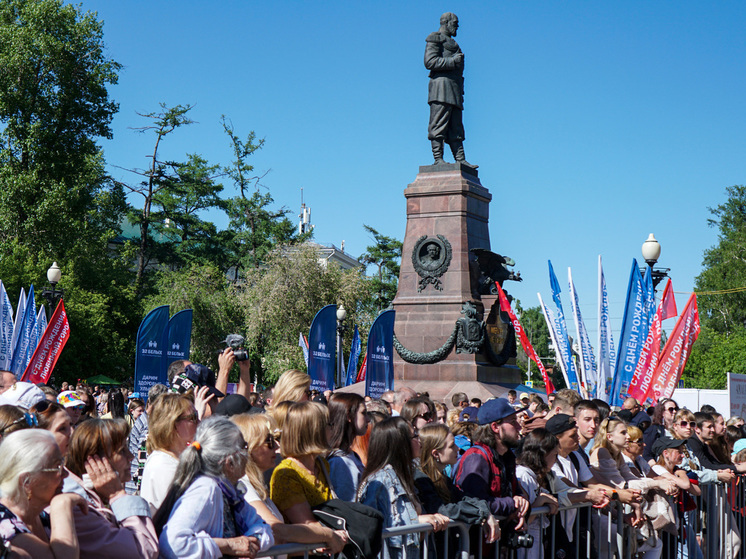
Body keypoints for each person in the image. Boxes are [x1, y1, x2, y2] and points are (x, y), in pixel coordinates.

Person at [155, 416, 274, 559]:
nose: (247, 454)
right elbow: (172, 544)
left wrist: (252, 541)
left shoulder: (232, 494)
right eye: (244, 447)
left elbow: (263, 527)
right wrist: (229, 545)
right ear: (229, 463)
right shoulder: (206, 489)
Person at [231, 413, 347, 554]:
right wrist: (326, 534)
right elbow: (276, 529)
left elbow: (278, 543)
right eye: (269, 441)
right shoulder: (243, 487)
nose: (276, 446)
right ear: (249, 447)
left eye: (275, 440)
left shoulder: (256, 487)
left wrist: (313, 548)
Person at [63, 418, 158, 558]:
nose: (131, 456)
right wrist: (117, 494)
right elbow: (144, 551)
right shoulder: (80, 511)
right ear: (95, 461)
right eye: (122, 451)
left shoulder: (92, 499)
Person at [357, 417, 450, 559]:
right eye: (414, 435)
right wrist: (418, 522)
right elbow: (374, 528)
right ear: (400, 443)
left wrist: (429, 519)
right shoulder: (382, 480)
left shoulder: (404, 475)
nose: (420, 439)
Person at [0, 429, 87, 558]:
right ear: (27, 481)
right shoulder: (6, 528)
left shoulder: (38, 513)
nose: (65, 474)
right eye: (57, 467)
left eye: (63, 463)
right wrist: (61, 504)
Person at [452, 398, 530, 535]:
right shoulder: (477, 457)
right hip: (476, 545)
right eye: (513, 422)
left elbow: (514, 492)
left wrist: (520, 501)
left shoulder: (507, 457)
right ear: (495, 427)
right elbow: (474, 503)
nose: (519, 427)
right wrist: (512, 504)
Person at [417, 423, 500, 544]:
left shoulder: (443, 478)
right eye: (452, 446)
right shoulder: (421, 479)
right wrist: (482, 513)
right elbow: (442, 509)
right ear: (436, 454)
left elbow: (464, 497)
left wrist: (485, 512)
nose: (458, 448)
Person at [269, 402, 339, 526]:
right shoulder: (286, 474)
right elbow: (307, 524)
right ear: (315, 431)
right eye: (329, 424)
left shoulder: (321, 464)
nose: (333, 429)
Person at [425, 12, 475, 167]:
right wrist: (452, 62)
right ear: (446, 23)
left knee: (456, 127)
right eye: (455, 24)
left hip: (455, 89)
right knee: (438, 124)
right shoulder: (435, 38)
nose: (457, 28)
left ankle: (460, 159)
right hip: (440, 88)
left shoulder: (454, 44)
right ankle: (438, 159)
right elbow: (429, 62)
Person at [140, 394, 199, 513]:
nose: (199, 421)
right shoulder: (163, 465)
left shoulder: (174, 458)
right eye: (193, 417)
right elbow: (185, 512)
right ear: (173, 424)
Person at [327, 393, 368, 501]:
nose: (368, 419)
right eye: (363, 413)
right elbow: (348, 505)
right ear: (349, 416)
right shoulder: (339, 461)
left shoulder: (350, 454)